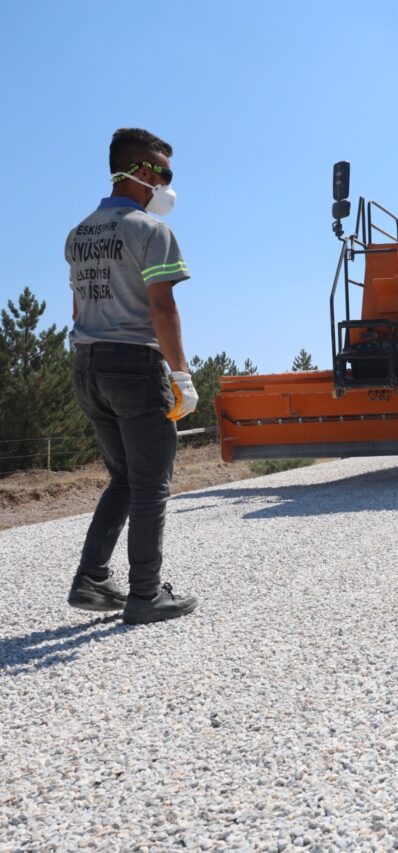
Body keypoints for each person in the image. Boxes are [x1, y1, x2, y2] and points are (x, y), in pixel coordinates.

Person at [64, 128, 199, 625]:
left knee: (123, 477)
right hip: (134, 367)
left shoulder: (78, 233)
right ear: (143, 171)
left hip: (86, 364)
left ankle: (93, 579)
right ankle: (146, 594)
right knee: (150, 483)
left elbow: (77, 306)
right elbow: (162, 308)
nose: (166, 184)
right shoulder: (151, 231)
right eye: (165, 173)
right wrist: (181, 376)